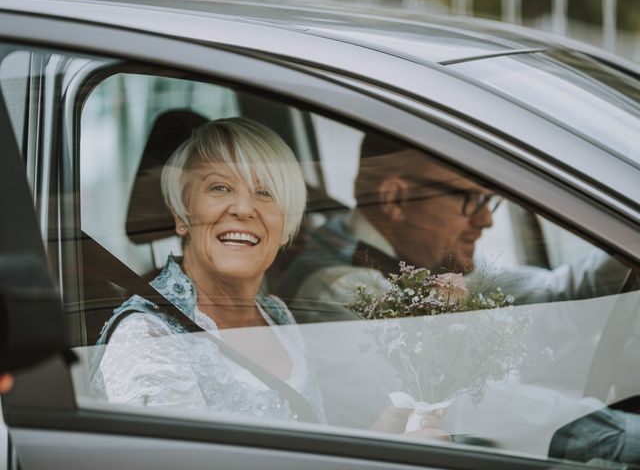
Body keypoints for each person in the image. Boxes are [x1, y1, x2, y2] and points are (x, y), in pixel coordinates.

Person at [90, 117, 324, 422]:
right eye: (220, 187)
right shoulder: (148, 335)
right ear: (182, 214)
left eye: (265, 192)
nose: (242, 208)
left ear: (284, 227)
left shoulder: (277, 315)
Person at [277, 132, 631, 323]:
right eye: (469, 200)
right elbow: (464, 414)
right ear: (395, 200)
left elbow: (555, 294)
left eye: (488, 201)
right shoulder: (343, 290)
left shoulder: (427, 260)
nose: (486, 219)